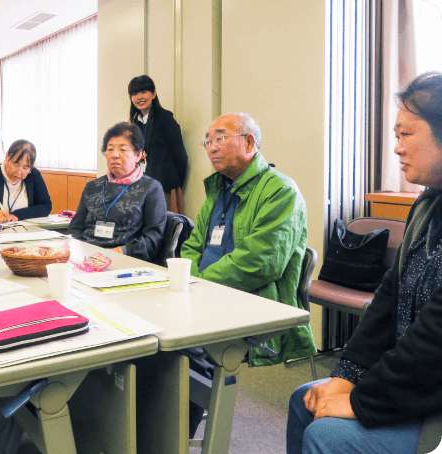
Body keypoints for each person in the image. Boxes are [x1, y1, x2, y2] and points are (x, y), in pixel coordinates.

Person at [286, 72, 442, 454]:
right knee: (305, 401)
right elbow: (389, 296)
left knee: (325, 435)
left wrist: (361, 400)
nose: (396, 148)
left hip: (432, 389)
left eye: (406, 135)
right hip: (414, 378)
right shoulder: (427, 203)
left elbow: (436, 338)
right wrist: (345, 375)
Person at [179, 112, 316, 435]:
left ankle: (172, 434)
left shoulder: (280, 190)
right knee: (152, 335)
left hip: (250, 300)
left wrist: (197, 284)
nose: (211, 147)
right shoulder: (218, 190)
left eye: (220, 137)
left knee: (182, 349)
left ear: (249, 143)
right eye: (207, 141)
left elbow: (260, 262)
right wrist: (189, 280)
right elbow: (192, 246)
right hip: (204, 292)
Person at [67, 122, 166, 262]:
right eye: (110, 149)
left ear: (138, 155)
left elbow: (153, 240)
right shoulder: (93, 186)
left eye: (123, 149)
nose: (115, 155)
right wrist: (79, 253)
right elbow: (75, 228)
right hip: (87, 258)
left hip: (125, 259)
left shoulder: (151, 188)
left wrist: (118, 252)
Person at [128, 75, 188, 214]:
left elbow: (181, 155)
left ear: (154, 94)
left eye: (144, 92)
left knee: (166, 230)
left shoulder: (165, 119)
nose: (139, 97)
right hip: (141, 187)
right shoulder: (135, 123)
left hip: (164, 187)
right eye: (134, 93)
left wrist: (175, 184)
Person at [0, 139, 52, 223]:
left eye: (25, 168)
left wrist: (18, 215)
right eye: (15, 165)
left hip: (24, 231)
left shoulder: (33, 175)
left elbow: (46, 206)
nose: (19, 172)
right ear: (7, 157)